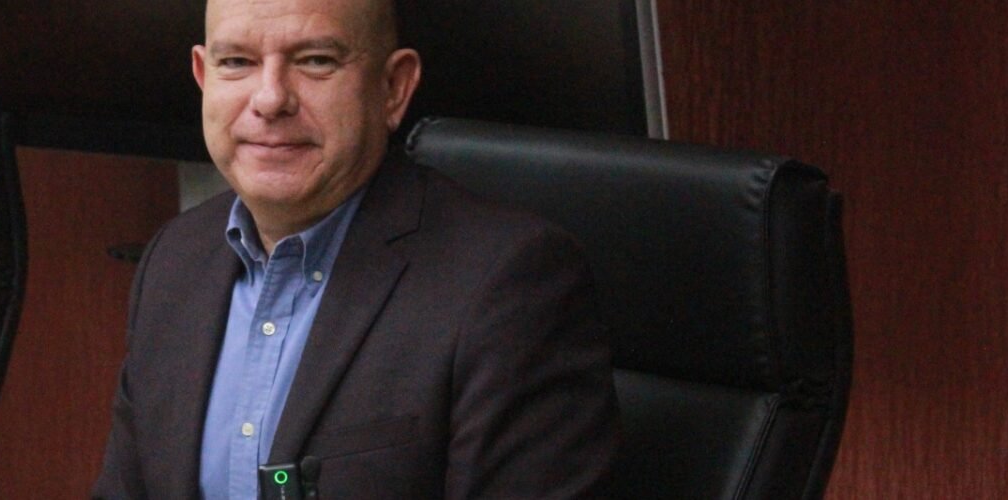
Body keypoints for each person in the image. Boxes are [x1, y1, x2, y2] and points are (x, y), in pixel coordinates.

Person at [94, 0, 618, 497]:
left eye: (315, 61)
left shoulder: (508, 284)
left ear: (393, 88)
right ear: (203, 76)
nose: (270, 98)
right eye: (237, 62)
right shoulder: (174, 259)